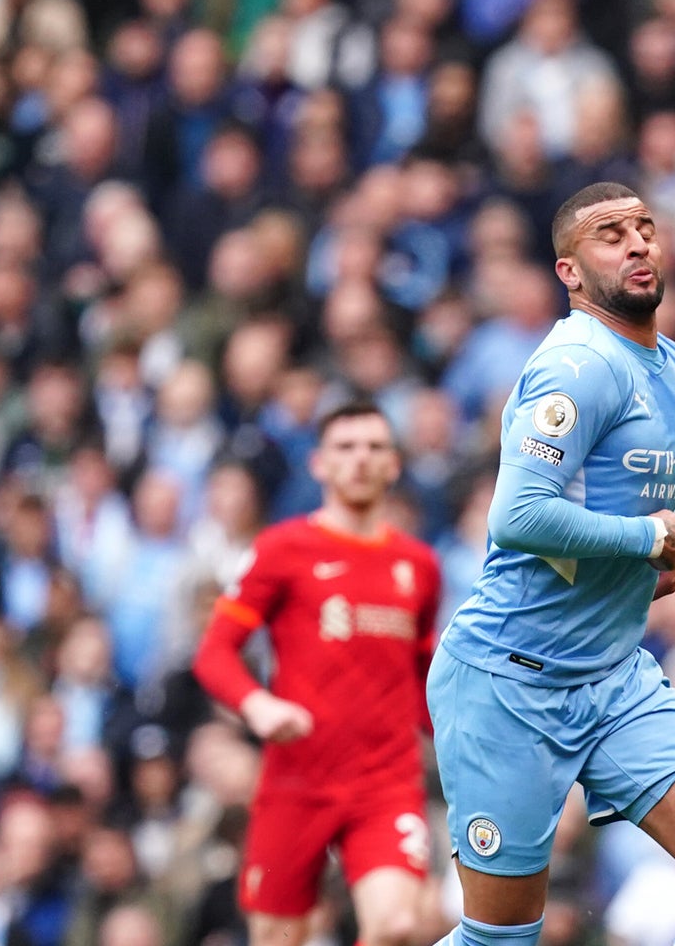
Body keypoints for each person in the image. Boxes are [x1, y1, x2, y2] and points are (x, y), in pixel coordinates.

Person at [427, 182, 675, 946]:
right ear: (570, 272)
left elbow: (623, 501)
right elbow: (517, 516)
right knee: (500, 939)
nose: (638, 243)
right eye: (610, 235)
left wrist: (655, 554)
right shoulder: (577, 366)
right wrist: (648, 541)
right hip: (510, 681)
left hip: (613, 674)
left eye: (645, 228)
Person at [189, 401, 443, 946]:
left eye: (374, 447)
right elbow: (214, 652)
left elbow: (423, 674)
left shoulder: (419, 565)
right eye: (345, 448)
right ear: (319, 464)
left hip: (386, 780)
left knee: (398, 925)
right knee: (277, 937)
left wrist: (455, 739)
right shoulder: (282, 549)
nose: (360, 459)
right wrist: (258, 705)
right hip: (297, 779)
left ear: (394, 464)